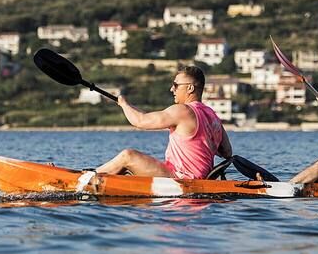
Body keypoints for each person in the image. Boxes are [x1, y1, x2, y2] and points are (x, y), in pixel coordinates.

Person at [96, 65, 232, 179]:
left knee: (128, 156)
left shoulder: (182, 111)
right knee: (128, 170)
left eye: (176, 85)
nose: (172, 89)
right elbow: (227, 152)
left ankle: (88, 178)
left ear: (190, 88)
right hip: (200, 178)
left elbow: (140, 121)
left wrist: (124, 105)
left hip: (180, 178)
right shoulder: (212, 116)